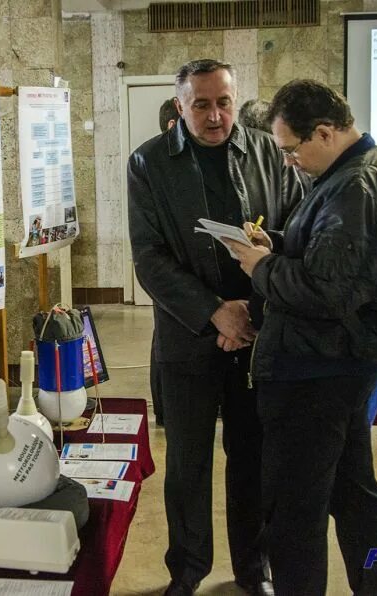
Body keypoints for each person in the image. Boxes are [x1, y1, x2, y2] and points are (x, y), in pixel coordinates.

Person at [227, 80, 377, 596]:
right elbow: (332, 257)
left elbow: (330, 291)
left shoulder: (356, 185)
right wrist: (282, 242)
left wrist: (262, 266)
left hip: (318, 370)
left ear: (326, 133)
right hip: (338, 364)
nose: (286, 162)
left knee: (295, 513)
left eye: (289, 150)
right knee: (355, 496)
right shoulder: (352, 175)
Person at [127, 59, 304, 596]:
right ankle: (187, 570)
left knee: (253, 459)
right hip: (188, 337)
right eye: (201, 104)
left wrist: (251, 309)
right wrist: (214, 311)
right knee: (188, 463)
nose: (215, 114)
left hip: (257, 334)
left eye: (223, 101)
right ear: (180, 106)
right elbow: (149, 257)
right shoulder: (149, 163)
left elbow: (295, 228)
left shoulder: (268, 153)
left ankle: (255, 569)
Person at [151, 97, 179, 428]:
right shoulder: (154, 164)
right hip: (169, 272)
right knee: (164, 339)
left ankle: (164, 409)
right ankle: (164, 409)